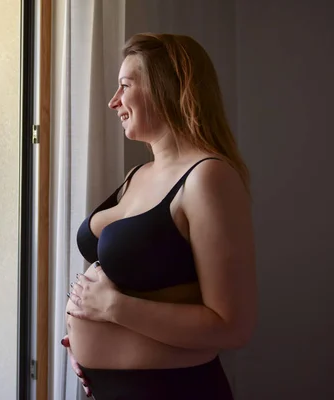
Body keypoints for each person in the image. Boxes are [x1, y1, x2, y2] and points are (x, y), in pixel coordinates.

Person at [62, 33, 257, 399]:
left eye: (124, 86)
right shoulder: (136, 175)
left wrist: (112, 308)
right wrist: (84, 344)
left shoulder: (207, 177)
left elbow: (233, 326)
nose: (112, 101)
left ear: (167, 87)